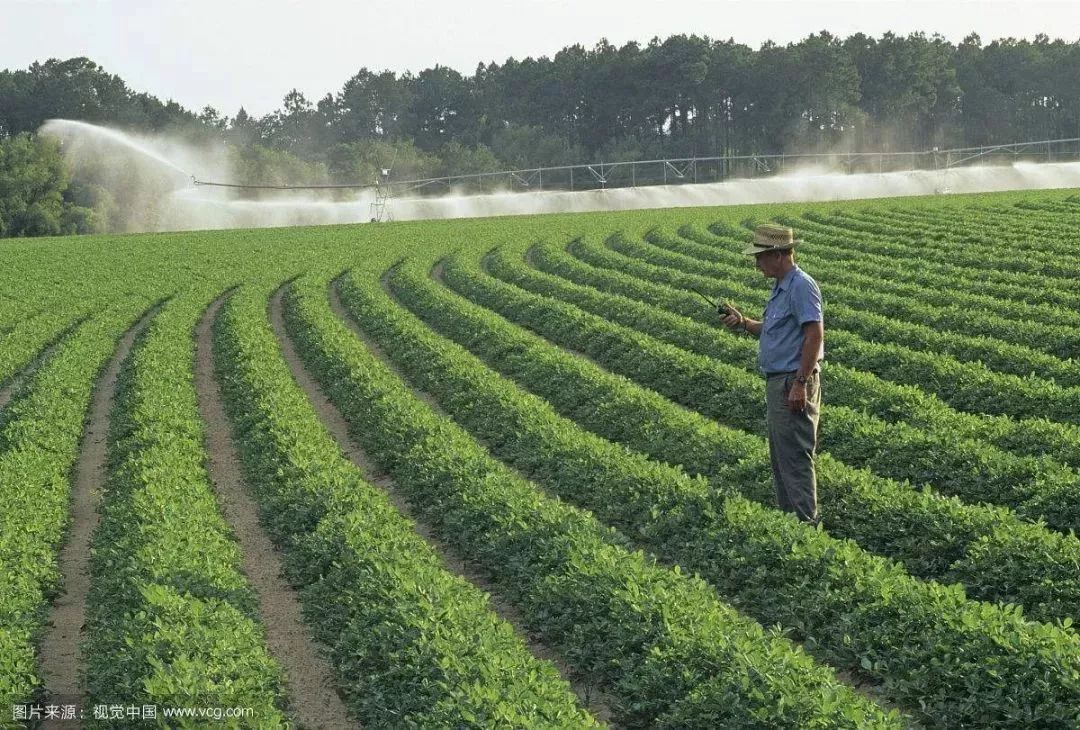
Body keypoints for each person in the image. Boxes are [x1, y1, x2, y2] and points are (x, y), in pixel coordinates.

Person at [720, 223, 824, 525]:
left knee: (795, 457)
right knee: (781, 457)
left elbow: (814, 335)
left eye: (760, 257)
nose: (757, 264)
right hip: (781, 382)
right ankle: (791, 522)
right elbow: (776, 331)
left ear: (778, 255)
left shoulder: (802, 285)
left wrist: (800, 384)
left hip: (793, 381)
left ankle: (805, 525)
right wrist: (743, 322)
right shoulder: (781, 288)